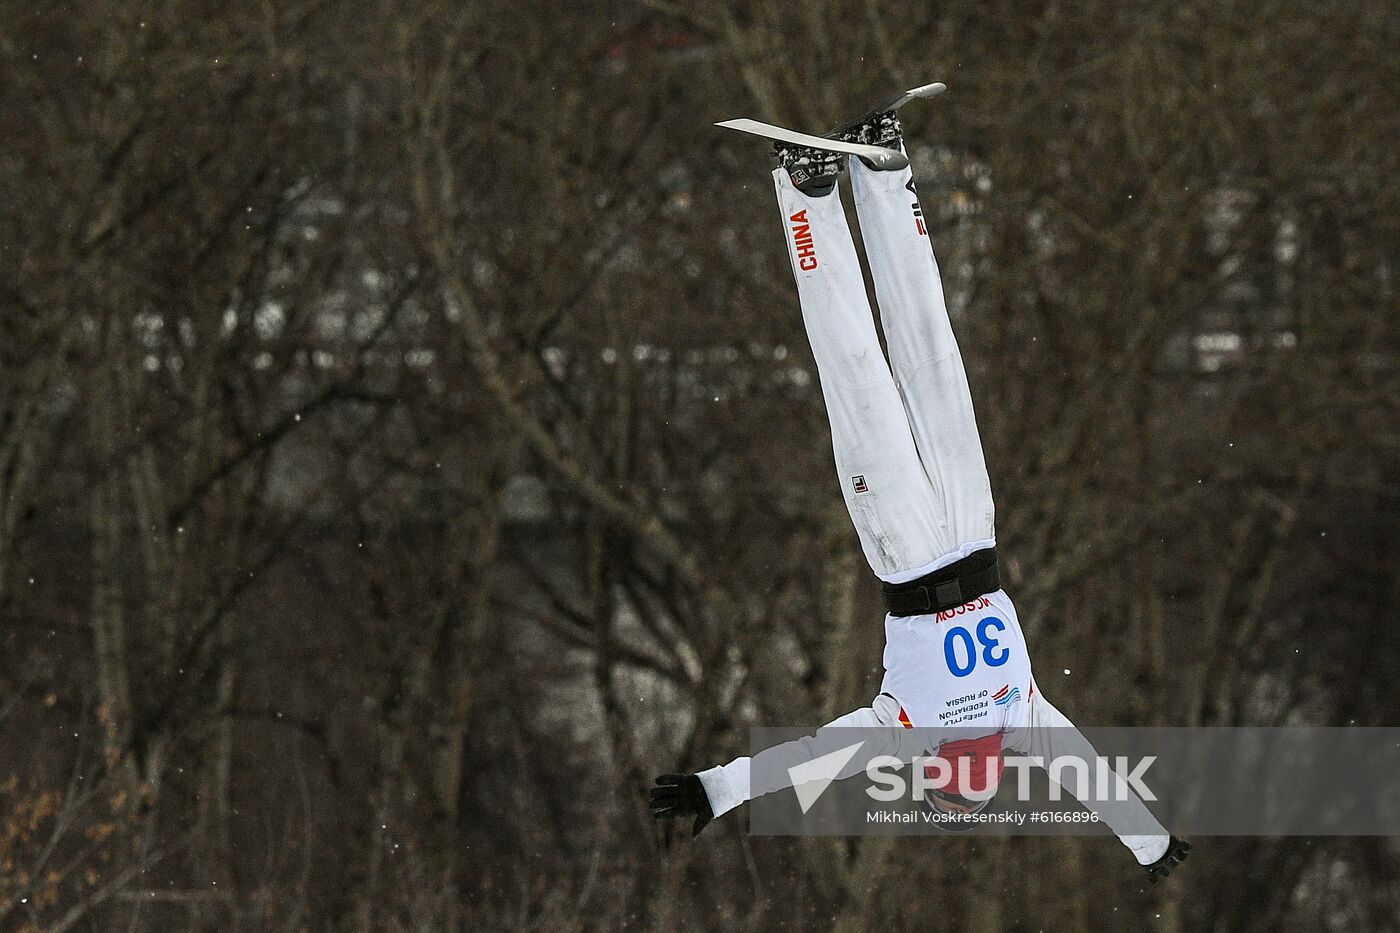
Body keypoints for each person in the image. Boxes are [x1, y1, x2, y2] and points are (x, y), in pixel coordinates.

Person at [650, 109, 1190, 882]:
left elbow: (810, 756)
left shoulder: (904, 731)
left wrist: (717, 788)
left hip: (907, 549)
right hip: (973, 530)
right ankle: (883, 174)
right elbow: (1093, 777)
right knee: (931, 354)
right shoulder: (1024, 717)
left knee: (862, 376)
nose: (964, 768)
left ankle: (808, 196)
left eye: (953, 780)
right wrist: (1147, 840)